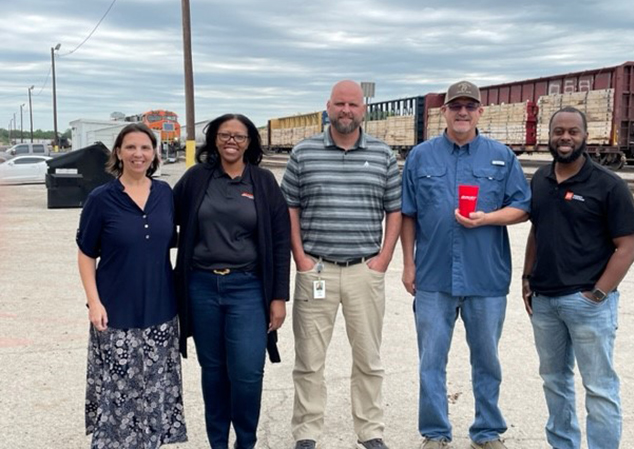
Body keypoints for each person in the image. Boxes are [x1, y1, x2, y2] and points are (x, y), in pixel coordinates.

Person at [400, 80, 531, 449]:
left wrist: (487, 219)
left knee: (487, 360)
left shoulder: (501, 156)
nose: (462, 112)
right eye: (455, 106)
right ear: (443, 112)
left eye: (469, 106)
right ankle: (435, 432)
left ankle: (487, 431)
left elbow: (522, 207)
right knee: (431, 360)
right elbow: (407, 214)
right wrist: (407, 265)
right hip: (433, 276)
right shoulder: (421, 157)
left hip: (485, 277)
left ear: (479, 112)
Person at [281, 80, 402, 449]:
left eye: (352, 104)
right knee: (309, 359)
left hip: (364, 271)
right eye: (339, 104)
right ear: (328, 107)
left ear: (363, 110)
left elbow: (394, 210)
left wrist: (383, 260)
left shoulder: (384, 155)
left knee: (368, 357)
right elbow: (290, 209)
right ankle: (307, 431)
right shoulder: (303, 153)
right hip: (315, 269)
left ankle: (370, 430)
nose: (345, 110)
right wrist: (300, 258)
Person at [522, 107, 634, 449]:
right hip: (544, 303)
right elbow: (537, 231)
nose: (565, 138)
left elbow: (627, 247)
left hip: (588, 303)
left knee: (599, 387)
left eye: (573, 132)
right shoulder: (541, 180)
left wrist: (600, 294)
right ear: (549, 135)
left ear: (586, 137)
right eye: (559, 131)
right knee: (554, 382)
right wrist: (527, 278)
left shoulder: (609, 186)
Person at [173, 113, 290, 449]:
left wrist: (278, 296)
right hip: (202, 286)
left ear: (249, 141)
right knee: (213, 371)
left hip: (248, 288)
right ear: (215, 139)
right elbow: (164, 213)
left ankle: (246, 442)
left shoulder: (263, 181)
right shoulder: (197, 178)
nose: (231, 142)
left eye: (239, 136)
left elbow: (280, 240)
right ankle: (218, 443)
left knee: (248, 373)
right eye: (225, 135)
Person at [76, 123, 187, 448]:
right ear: (119, 153)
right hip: (115, 313)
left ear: (154, 154)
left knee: (155, 391)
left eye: (145, 148)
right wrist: (94, 303)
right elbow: (85, 255)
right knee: (118, 394)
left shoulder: (165, 193)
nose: (138, 154)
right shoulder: (101, 199)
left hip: (161, 310)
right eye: (131, 147)